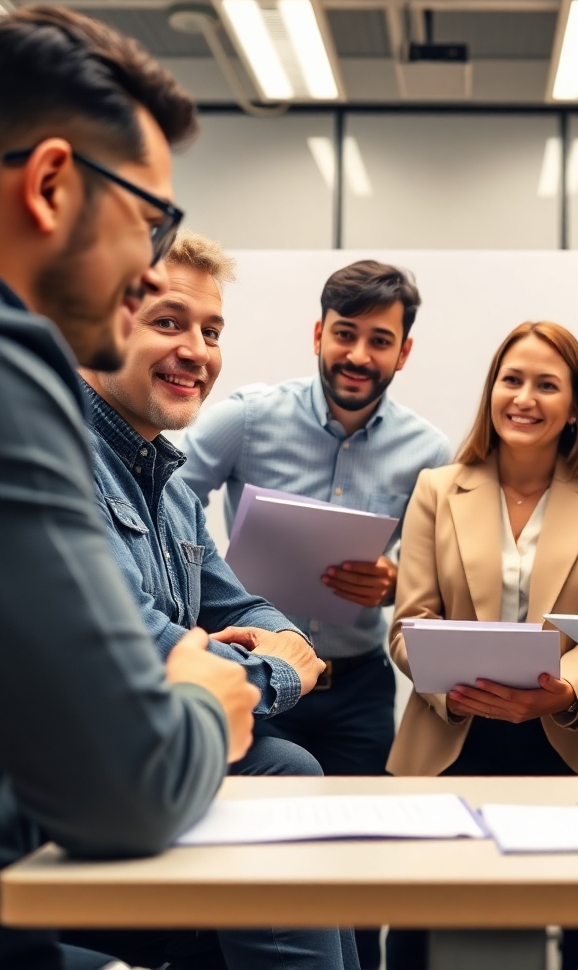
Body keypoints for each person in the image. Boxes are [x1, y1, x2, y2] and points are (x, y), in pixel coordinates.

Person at [0, 5, 258, 970]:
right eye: (150, 224)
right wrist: (202, 700)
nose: (151, 274)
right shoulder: (14, 366)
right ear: (50, 185)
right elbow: (128, 786)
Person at [73, 229, 359, 970]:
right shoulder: (64, 462)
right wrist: (283, 669)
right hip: (84, 769)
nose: (197, 350)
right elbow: (141, 651)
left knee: (297, 787)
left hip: (158, 755)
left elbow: (238, 608)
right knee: (284, 772)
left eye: (211, 331)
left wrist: (269, 643)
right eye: (169, 322)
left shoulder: (166, 483)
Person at [179, 260, 449, 968]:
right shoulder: (248, 416)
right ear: (318, 334)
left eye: (379, 340)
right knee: (251, 867)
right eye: (345, 334)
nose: (358, 355)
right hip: (253, 679)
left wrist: (394, 581)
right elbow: (167, 493)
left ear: (403, 352)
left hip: (356, 688)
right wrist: (206, 592)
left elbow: (434, 576)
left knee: (357, 870)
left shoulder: (429, 451)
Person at [386, 321, 578, 970]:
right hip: (453, 730)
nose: (524, 398)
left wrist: (562, 692)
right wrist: (453, 687)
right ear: (492, 391)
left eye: (547, 385)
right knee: (417, 924)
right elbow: (409, 622)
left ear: (575, 408)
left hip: (570, 735)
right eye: (512, 380)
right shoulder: (437, 489)